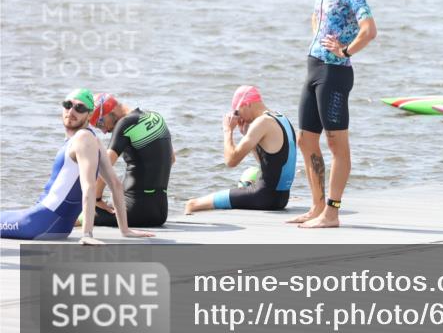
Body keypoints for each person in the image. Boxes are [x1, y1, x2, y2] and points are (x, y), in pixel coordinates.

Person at [294, 0, 377, 228]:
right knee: (305, 140)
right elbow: (316, 19)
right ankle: (316, 206)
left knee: (336, 143)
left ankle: (332, 211)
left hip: (335, 71)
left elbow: (369, 29)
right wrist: (319, 36)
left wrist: (345, 49)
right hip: (314, 66)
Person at [1, 88, 154, 244]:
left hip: (40, 223)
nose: (71, 111)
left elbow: (89, 186)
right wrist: (125, 230)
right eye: (67, 105)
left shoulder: (83, 138)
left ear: (89, 115)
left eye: (79, 108)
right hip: (56, 226)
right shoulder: (93, 139)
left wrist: (87, 234)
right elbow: (115, 184)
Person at [185, 85, 298, 214]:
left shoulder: (261, 122)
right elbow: (270, 164)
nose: (240, 118)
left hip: (263, 197)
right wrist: (247, 136)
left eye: (237, 112)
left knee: (193, 203)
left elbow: (231, 161)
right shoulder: (281, 118)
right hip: (281, 199)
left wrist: (227, 131)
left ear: (247, 104)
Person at [86, 93, 175, 227]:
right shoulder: (156, 117)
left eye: (100, 123)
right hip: (160, 212)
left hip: (134, 210)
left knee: (82, 210)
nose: (104, 131)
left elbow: (105, 166)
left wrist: (97, 199)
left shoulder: (126, 123)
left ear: (111, 110)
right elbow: (171, 159)